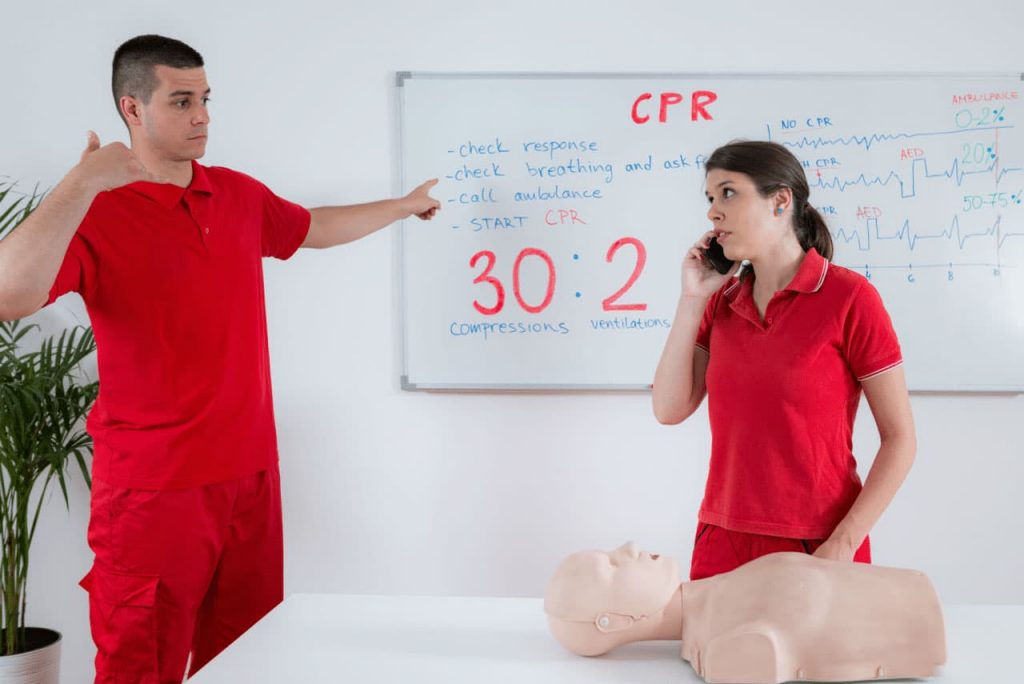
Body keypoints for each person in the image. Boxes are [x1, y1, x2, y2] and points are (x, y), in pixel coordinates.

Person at [0, 35, 440, 681]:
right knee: (139, 668)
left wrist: (401, 206)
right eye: (181, 101)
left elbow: (311, 227)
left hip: (251, 477)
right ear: (133, 109)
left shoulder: (234, 194)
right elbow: (11, 294)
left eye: (205, 98)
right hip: (153, 492)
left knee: (249, 662)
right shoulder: (96, 213)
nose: (202, 115)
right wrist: (82, 181)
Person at [652, 140, 916, 581]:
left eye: (729, 193)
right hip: (723, 540)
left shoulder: (849, 299)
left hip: (819, 544)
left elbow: (900, 439)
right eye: (710, 198)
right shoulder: (720, 304)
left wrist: (844, 542)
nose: (713, 212)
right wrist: (692, 299)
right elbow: (668, 408)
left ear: (780, 200)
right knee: (708, 653)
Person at [545, 541, 946, 683]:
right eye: (612, 566)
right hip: (919, 629)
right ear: (609, 621)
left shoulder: (721, 597)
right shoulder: (724, 645)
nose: (629, 546)